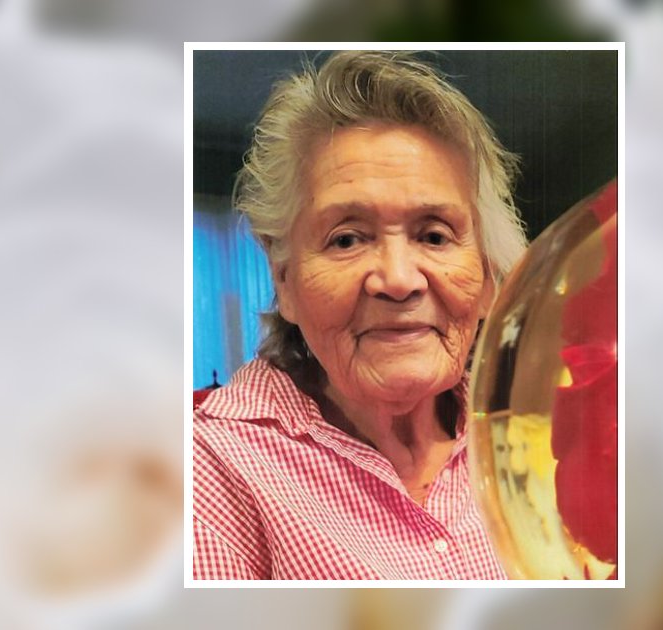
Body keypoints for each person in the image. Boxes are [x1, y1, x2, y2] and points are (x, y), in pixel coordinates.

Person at [191, 51, 529, 580]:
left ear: (487, 278)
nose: (398, 279)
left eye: (434, 235)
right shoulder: (206, 468)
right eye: (346, 239)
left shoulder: (536, 433)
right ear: (284, 279)